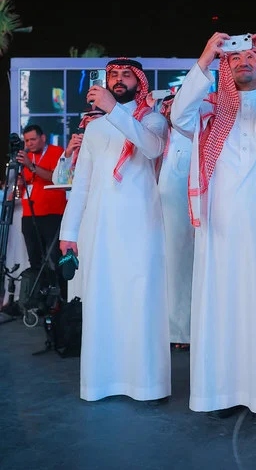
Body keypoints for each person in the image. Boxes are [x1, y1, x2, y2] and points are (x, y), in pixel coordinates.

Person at [169, 32, 256, 423]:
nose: (243, 61)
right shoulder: (209, 109)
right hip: (222, 230)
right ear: (224, 66)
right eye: (234, 58)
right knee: (225, 309)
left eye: (251, 56)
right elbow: (178, 116)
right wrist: (205, 55)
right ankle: (225, 390)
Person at [59, 58, 171, 403]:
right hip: (100, 228)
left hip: (140, 226)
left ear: (138, 81)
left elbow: (151, 148)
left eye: (125, 75)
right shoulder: (93, 129)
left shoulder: (151, 119)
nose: (118, 80)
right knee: (102, 304)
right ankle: (101, 382)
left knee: (140, 303)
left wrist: (113, 110)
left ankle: (146, 386)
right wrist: (69, 231)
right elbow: (82, 185)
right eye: (113, 76)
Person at [155, 94, 194, 352]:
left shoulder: (191, 138)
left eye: (172, 105)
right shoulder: (157, 137)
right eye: (165, 106)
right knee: (162, 274)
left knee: (181, 273)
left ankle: (184, 332)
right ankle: (164, 330)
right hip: (156, 217)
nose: (168, 110)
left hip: (183, 218)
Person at [16, 124, 68, 299]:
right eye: (27, 140)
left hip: (52, 214)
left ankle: (62, 299)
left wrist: (31, 166)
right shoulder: (24, 157)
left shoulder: (56, 151)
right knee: (34, 260)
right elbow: (22, 184)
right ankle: (39, 300)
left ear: (43, 138)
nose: (29, 143)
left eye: (33, 139)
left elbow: (56, 177)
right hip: (29, 215)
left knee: (55, 258)